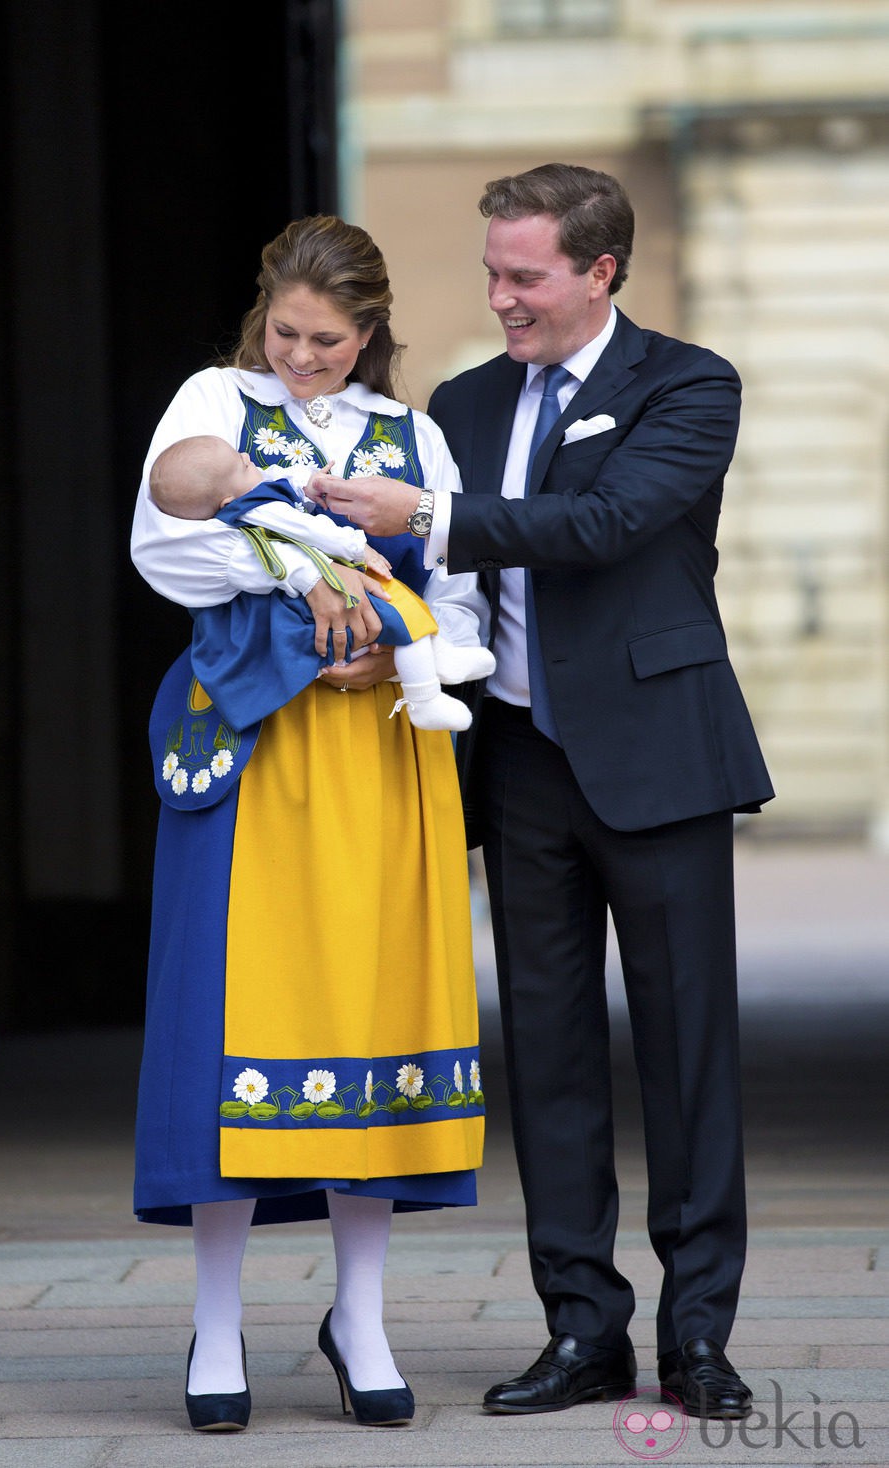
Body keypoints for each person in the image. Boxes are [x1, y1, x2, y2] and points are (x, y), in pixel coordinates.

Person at [309, 164, 775, 1422]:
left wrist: (439, 516)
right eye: (491, 274)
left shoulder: (688, 383)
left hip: (659, 753)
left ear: (598, 270)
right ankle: (582, 1332)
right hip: (516, 762)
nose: (500, 297)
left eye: (523, 275)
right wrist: (374, 624)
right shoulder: (461, 399)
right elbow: (426, 569)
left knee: (688, 1057)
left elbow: (607, 520)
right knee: (551, 1059)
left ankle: (696, 1340)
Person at [130, 214, 491, 1433]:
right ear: (262, 317)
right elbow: (163, 546)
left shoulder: (414, 434)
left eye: (328, 341)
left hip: (380, 740)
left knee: (369, 1006)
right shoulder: (212, 401)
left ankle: (363, 1313)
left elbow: (458, 588)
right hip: (254, 737)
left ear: (370, 333)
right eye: (285, 332)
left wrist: (389, 642)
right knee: (230, 1013)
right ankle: (219, 1320)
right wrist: (307, 575)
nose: (301, 357)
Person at [147, 433, 494, 732]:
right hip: (315, 604)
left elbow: (276, 478)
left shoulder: (245, 499)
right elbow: (309, 529)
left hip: (312, 601)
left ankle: (439, 657)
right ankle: (425, 697)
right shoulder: (257, 509)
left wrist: (306, 483)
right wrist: (359, 549)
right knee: (397, 614)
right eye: (241, 465)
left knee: (397, 615)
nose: (247, 456)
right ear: (228, 498)